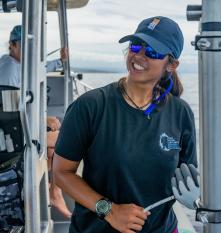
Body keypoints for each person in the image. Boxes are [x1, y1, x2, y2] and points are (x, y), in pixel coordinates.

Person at [53, 16, 198, 233]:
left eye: (152, 51)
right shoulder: (90, 106)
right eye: (136, 45)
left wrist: (194, 193)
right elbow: (61, 173)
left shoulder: (181, 113)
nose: (139, 56)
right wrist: (110, 211)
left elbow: (187, 174)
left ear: (171, 65)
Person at [0, 25, 71, 218]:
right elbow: (9, 116)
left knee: (52, 150)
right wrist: (43, 120)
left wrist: (60, 61)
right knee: (64, 140)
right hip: (11, 139)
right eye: (25, 46)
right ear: (12, 45)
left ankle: (52, 188)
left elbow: (40, 66)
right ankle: (55, 192)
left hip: (16, 131)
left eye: (33, 48)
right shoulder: (8, 69)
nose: (30, 52)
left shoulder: (16, 64)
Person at [0, 25, 68, 88]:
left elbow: (39, 68)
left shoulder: (16, 62)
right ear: (12, 45)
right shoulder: (9, 67)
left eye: (29, 45)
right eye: (23, 45)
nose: (27, 49)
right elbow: (8, 99)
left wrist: (61, 61)